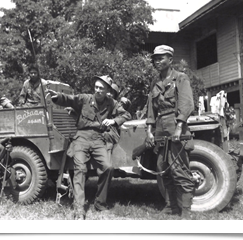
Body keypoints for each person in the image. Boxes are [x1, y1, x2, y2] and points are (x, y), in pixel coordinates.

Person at [46, 75, 131, 220]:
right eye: (96, 87)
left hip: (98, 138)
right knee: (80, 169)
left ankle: (100, 203)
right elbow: (70, 99)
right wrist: (57, 96)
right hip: (82, 137)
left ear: (107, 90)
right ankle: (79, 208)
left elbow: (126, 114)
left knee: (108, 168)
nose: (98, 90)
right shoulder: (85, 98)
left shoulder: (112, 102)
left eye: (101, 88)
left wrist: (113, 120)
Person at [145, 45, 195, 219]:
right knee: (163, 168)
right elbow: (151, 108)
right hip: (160, 126)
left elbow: (187, 104)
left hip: (175, 124)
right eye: (155, 59)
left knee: (179, 169)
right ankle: (171, 206)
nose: (157, 61)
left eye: (161, 58)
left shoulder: (181, 78)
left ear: (170, 59)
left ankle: (186, 211)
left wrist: (180, 127)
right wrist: (149, 131)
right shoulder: (155, 82)